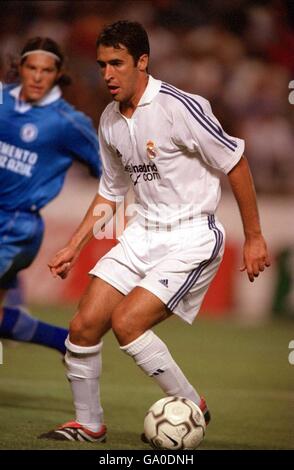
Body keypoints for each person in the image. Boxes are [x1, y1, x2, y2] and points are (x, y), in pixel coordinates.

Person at [40, 21, 270, 442]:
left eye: (117, 63)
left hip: (191, 235)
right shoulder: (109, 120)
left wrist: (254, 236)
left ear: (142, 62)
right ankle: (89, 424)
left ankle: (191, 406)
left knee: (128, 323)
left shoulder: (178, 107)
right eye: (101, 64)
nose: (106, 74)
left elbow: (234, 161)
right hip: (142, 232)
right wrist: (74, 245)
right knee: (83, 326)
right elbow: (110, 192)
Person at [0, 37, 101, 355]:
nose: (38, 77)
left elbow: (111, 173)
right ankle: (65, 342)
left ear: (58, 74)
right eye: (32, 68)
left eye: (46, 70)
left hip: (17, 226)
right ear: (19, 68)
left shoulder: (68, 123)